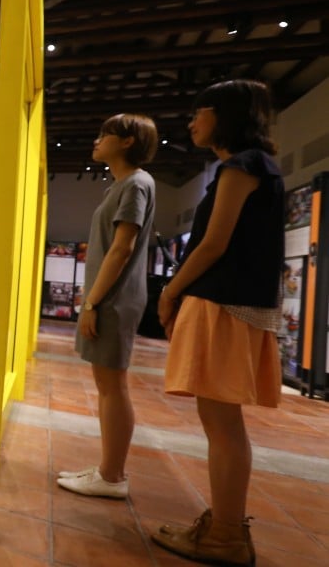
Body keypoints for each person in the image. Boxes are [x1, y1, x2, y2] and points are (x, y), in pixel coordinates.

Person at [151, 80, 283, 567]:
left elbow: (212, 243)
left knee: (222, 422)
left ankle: (227, 534)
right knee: (223, 422)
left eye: (199, 113)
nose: (191, 123)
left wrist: (170, 290)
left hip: (223, 304)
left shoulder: (242, 166)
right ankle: (225, 526)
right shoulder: (258, 167)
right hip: (235, 303)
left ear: (223, 114)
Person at [57, 113, 157, 499]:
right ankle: (107, 468)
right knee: (107, 385)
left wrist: (92, 302)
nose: (97, 141)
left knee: (112, 385)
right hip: (111, 298)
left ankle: (112, 475)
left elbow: (122, 247)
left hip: (115, 300)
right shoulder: (123, 185)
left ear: (128, 141)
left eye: (105, 134)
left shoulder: (135, 184)